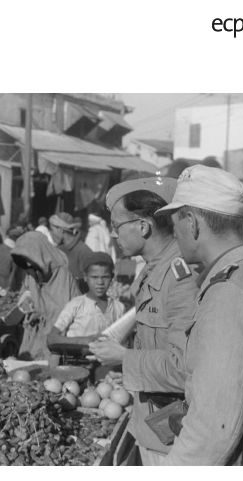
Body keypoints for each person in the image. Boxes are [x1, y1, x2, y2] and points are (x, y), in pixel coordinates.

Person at [151, 165, 243, 465]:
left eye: (174, 222)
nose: (174, 233)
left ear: (192, 223)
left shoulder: (228, 293)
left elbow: (213, 426)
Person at [89, 177, 199, 466]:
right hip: (156, 424)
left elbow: (187, 369)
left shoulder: (181, 279)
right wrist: (128, 371)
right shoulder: (152, 272)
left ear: (143, 226)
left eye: (117, 226)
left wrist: (125, 357)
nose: (113, 235)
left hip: (175, 435)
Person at [11, 231, 80, 360]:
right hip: (35, 335)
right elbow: (26, 294)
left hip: (56, 339)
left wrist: (41, 313)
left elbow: (62, 315)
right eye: (26, 261)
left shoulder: (61, 275)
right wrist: (27, 304)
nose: (29, 264)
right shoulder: (31, 273)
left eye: (31, 259)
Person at [48, 252, 125, 348]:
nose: (100, 282)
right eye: (94, 277)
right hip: (77, 361)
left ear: (112, 277)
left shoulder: (118, 307)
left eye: (105, 277)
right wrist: (83, 341)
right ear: (85, 277)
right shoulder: (76, 305)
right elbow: (52, 338)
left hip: (108, 361)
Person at [49, 212, 93, 288]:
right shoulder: (58, 250)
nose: (51, 233)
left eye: (52, 230)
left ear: (60, 229)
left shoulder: (84, 252)